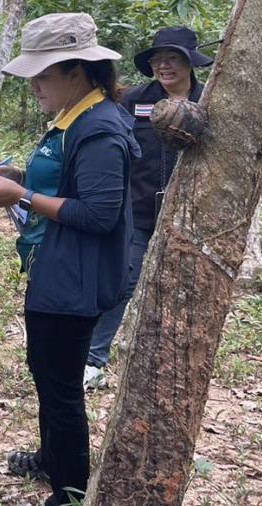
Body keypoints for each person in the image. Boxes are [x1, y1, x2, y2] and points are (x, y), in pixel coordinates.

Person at [0, 13, 138, 506]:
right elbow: (65, 183)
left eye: (42, 75)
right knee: (45, 373)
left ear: (77, 71)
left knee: (62, 387)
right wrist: (18, 177)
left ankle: (67, 503)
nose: (35, 85)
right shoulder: (74, 118)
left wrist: (21, 196)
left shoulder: (101, 130)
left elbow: (98, 213)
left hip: (77, 281)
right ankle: (52, 455)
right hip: (56, 269)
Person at [83, 26, 213, 390]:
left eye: (173, 59)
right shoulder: (133, 99)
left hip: (191, 216)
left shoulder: (210, 101)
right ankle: (93, 358)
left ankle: (171, 368)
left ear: (190, 63)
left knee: (182, 292)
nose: (165, 66)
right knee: (124, 281)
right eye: (158, 60)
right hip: (138, 211)